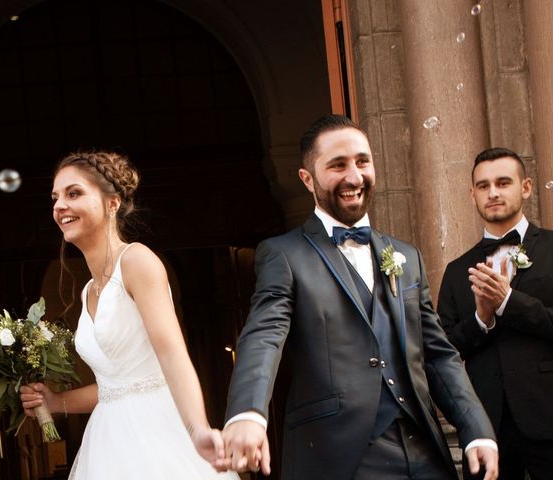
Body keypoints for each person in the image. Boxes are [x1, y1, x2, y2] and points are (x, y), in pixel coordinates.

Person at [220, 115, 499, 480]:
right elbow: (264, 334)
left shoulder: (406, 256)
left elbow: (437, 354)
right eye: (338, 165)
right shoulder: (283, 255)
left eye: (362, 161)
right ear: (308, 179)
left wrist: (476, 428)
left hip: (424, 452)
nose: (354, 176)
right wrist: (248, 413)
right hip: (338, 456)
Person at [20, 151, 237, 479]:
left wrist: (197, 430)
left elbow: (173, 357)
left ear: (112, 203)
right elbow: (115, 386)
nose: (59, 205)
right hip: (107, 443)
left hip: (157, 436)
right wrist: (54, 401)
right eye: (55, 197)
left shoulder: (136, 261)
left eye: (74, 193)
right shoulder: (89, 290)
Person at [438, 147, 553, 480]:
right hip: (487, 427)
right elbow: (442, 348)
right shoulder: (457, 270)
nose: (493, 193)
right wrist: (480, 320)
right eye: (483, 186)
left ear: (526, 187)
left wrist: (508, 302)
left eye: (503, 183)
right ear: (472, 195)